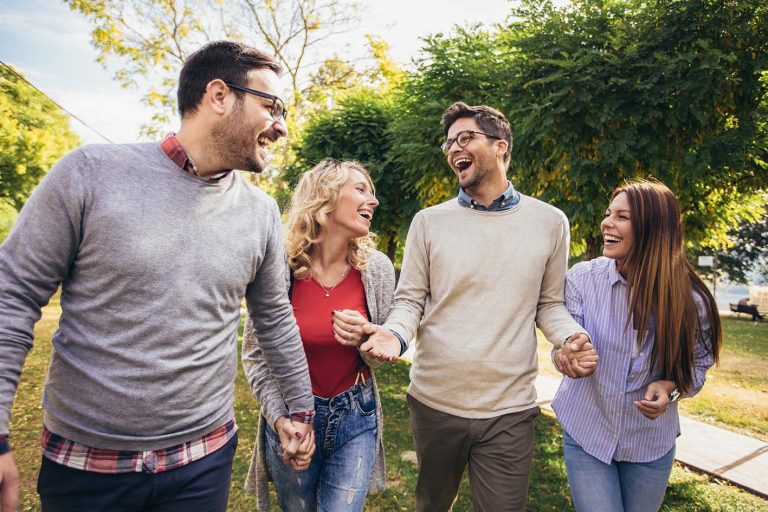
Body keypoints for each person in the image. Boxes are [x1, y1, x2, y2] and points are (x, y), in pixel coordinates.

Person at [0, 41, 315, 512]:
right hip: (88, 467)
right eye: (271, 106)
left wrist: (299, 409)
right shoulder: (88, 174)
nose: (282, 125)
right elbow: (13, 296)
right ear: (219, 96)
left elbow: (273, 318)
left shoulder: (261, 212)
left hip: (203, 462)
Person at [360, 101, 598, 512]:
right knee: (432, 505)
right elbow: (410, 299)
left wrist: (570, 337)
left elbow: (549, 303)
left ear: (501, 146)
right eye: (449, 143)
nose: (454, 149)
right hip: (435, 402)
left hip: (510, 408)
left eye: (465, 138)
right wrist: (395, 335)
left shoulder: (550, 221)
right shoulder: (429, 221)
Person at [552, 180, 722, 512]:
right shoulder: (582, 279)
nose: (607, 223)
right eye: (608, 214)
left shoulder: (693, 301)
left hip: (649, 444)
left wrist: (671, 388)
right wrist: (566, 358)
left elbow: (698, 366)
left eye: (622, 217)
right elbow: (563, 343)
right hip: (588, 432)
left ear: (653, 229)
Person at [241, 158, 396, 511]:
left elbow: (380, 356)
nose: (372, 201)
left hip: (356, 414)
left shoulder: (377, 271)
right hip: (293, 418)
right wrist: (281, 420)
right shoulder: (279, 266)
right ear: (325, 197)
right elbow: (254, 355)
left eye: (371, 193)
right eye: (360, 190)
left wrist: (367, 339)